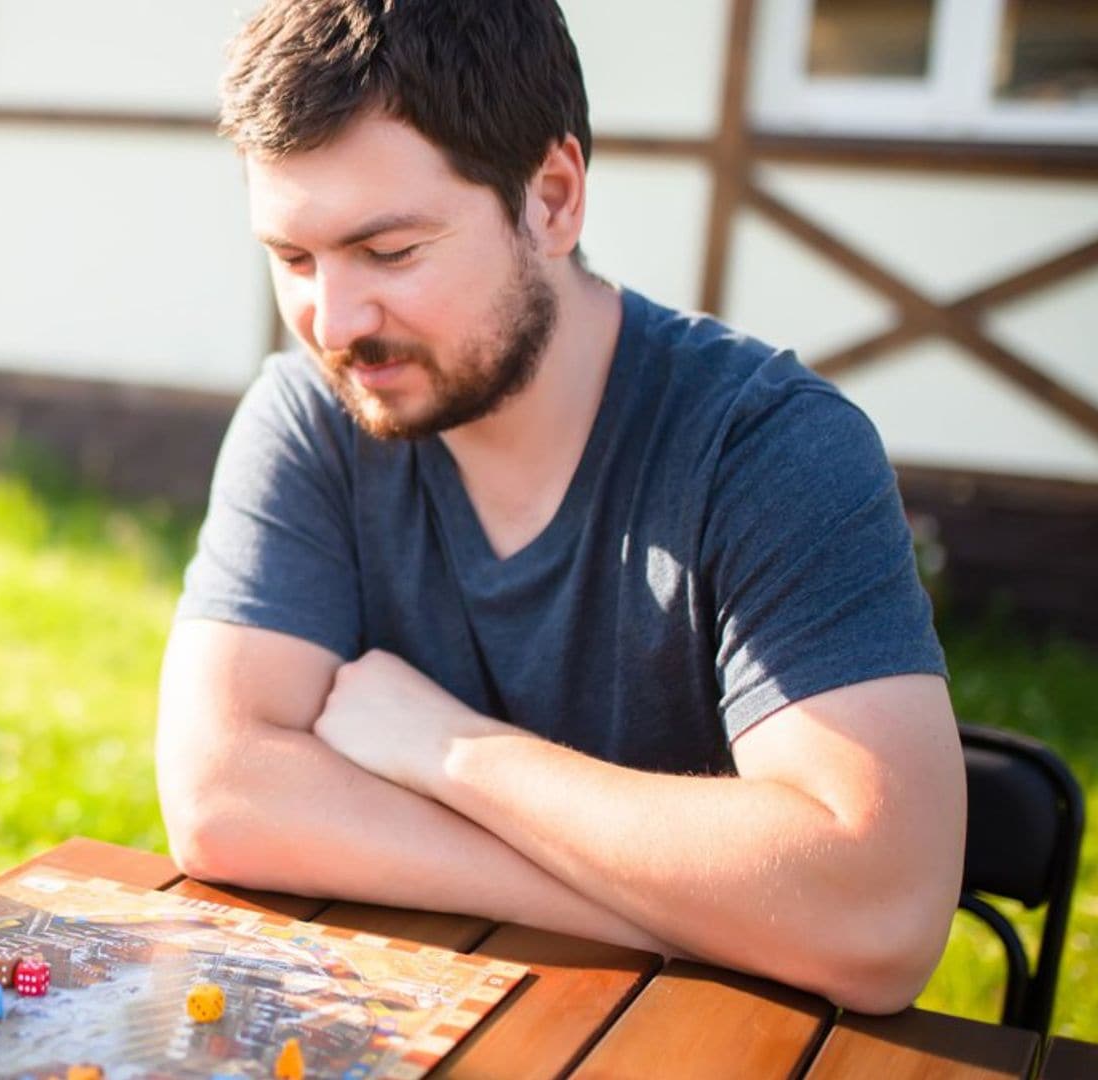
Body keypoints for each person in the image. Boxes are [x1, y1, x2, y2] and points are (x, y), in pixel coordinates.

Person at [157, 0, 964, 1014]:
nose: (337, 321)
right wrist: (666, 906)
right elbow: (222, 800)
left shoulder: (767, 447)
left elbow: (876, 915)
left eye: (391, 251)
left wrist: (451, 749)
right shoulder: (312, 418)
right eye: (294, 260)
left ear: (552, 199)